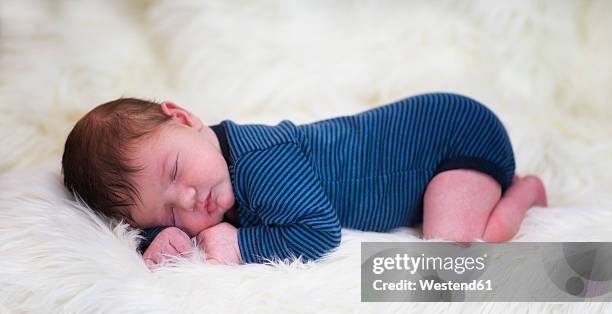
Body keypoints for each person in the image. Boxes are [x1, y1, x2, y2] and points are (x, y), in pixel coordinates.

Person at [61, 93, 547, 268]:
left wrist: (241, 246)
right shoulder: (210, 173)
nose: (190, 200)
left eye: (174, 171)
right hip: (428, 148)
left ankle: (523, 193)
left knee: (453, 254)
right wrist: (158, 236)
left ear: (185, 118)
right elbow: (164, 215)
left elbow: (318, 231)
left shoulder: (258, 161)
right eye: (169, 210)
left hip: (451, 138)